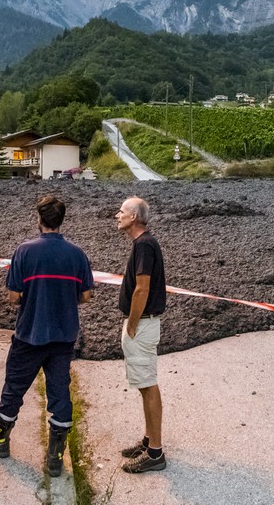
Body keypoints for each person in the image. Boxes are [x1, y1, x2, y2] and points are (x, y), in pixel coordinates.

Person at [0, 196, 93, 477]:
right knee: (59, 392)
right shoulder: (77, 254)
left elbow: (14, 297)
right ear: (61, 220)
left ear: (38, 219)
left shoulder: (24, 251)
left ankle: (0, 440)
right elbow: (87, 296)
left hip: (29, 334)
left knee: (14, 388)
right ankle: (55, 457)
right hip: (63, 337)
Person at [115, 196, 167, 473]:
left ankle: (155, 453)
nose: (117, 215)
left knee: (148, 385)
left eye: (122, 211)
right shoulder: (144, 243)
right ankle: (149, 441)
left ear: (134, 217)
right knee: (145, 384)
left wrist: (132, 324)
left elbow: (142, 289)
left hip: (143, 325)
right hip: (143, 324)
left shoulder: (145, 245)